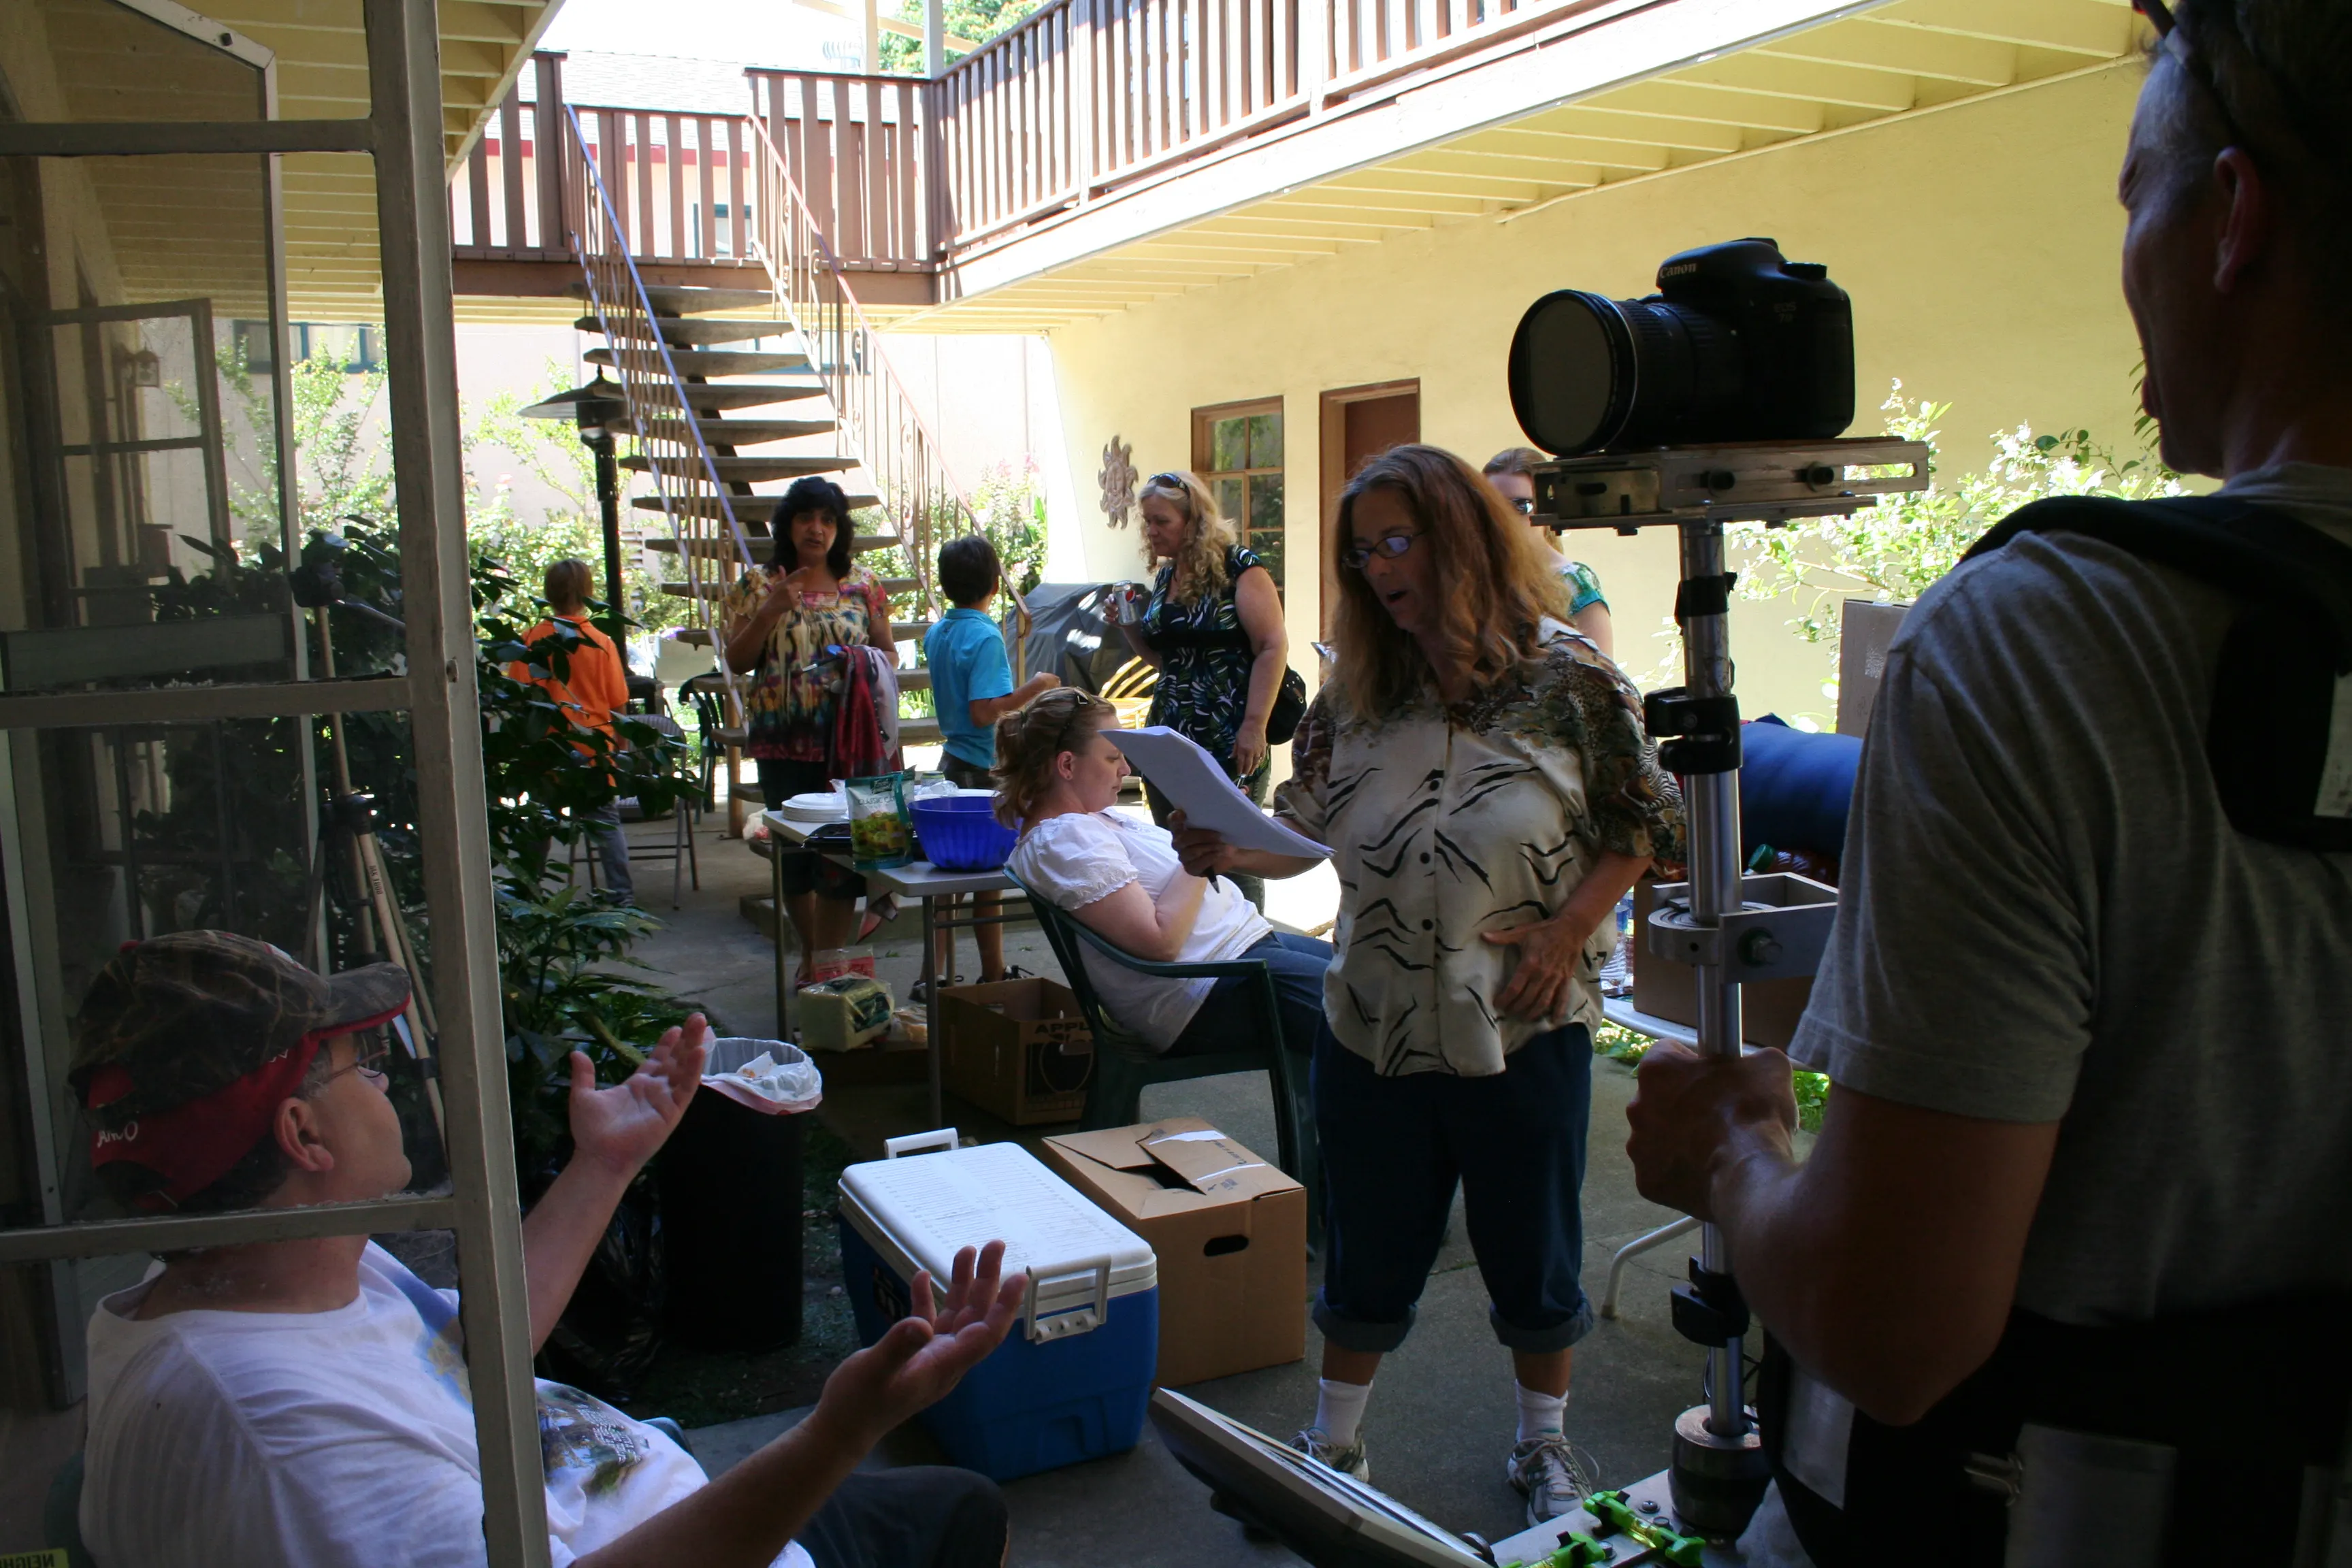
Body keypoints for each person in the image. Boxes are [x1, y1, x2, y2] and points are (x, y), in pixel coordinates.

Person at [1622, 3, 2352, 1561]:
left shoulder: (2057, 640)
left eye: (2130, 199)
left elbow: (1894, 1329)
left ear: (2232, 218)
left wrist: (1732, 1158)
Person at [72, 930, 1024, 1568]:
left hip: (619, 1494)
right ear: (302, 1135)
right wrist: (837, 1431)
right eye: (360, 1064)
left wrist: (605, 1165)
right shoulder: (294, 1452)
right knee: (955, 1517)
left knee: (960, 1505)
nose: (391, 1083)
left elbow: (469, 1364)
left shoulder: (258, 1267)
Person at [1173, 446, 1681, 1525]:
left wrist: (1570, 928)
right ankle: (1336, 1447)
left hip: (1521, 1024)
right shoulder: (1358, 692)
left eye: (1398, 540)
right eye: (1363, 552)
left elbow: (1644, 825)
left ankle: (1542, 1448)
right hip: (1373, 1024)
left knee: (1532, 1250)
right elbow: (1295, 833)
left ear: (1461, 538)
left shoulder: (1573, 682)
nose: (1379, 567)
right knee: (1368, 1245)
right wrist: (1226, 846)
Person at [999, 687, 1330, 1062]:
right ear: (1067, 765)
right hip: (1210, 989)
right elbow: (1160, 944)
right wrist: (1201, 851)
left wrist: (1211, 830)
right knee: (1372, 1011)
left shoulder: (1089, 820)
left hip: (1239, 956)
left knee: (1377, 976)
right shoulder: (1063, 838)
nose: (1125, 770)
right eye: (1112, 758)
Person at [723, 476, 897, 977]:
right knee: (795, 864)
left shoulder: (863, 585)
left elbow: (887, 653)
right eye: (805, 519)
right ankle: (812, 953)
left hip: (851, 745)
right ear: (788, 526)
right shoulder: (758, 585)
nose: (816, 529)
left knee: (845, 862)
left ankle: (828, 964)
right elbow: (736, 660)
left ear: (840, 528)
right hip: (782, 743)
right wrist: (771, 610)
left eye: (827, 519)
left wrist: (862, 661)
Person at [1113, 470, 1290, 909]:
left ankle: (1250, 952)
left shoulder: (1241, 569)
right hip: (1169, 735)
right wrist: (1131, 627)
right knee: (1181, 852)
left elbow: (1271, 645)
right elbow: (1168, 661)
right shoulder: (1166, 577)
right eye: (1147, 522)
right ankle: (1198, 950)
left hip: (1228, 734)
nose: (1151, 532)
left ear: (1193, 521)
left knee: (1233, 857)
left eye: (1161, 522)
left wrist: (1254, 726)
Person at [922, 533, 1059, 991]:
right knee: (987, 882)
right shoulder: (983, 636)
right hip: (982, 767)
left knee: (950, 885)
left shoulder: (938, 632)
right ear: (995, 587)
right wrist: (1036, 687)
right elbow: (986, 710)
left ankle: (935, 978)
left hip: (951, 761)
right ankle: (992, 977)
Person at [507, 559, 636, 904]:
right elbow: (617, 704)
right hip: (594, 744)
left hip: (547, 746)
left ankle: (531, 890)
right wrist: (619, 749)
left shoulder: (533, 640)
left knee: (541, 822)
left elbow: (518, 699)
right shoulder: (599, 641)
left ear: (549, 592)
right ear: (588, 592)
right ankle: (621, 895)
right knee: (606, 825)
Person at [1484, 448, 1612, 657]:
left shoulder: (1574, 583)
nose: (1503, 518)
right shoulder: (1473, 575)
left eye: (1520, 506)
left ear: (1545, 507)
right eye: (1492, 505)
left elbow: (1602, 679)